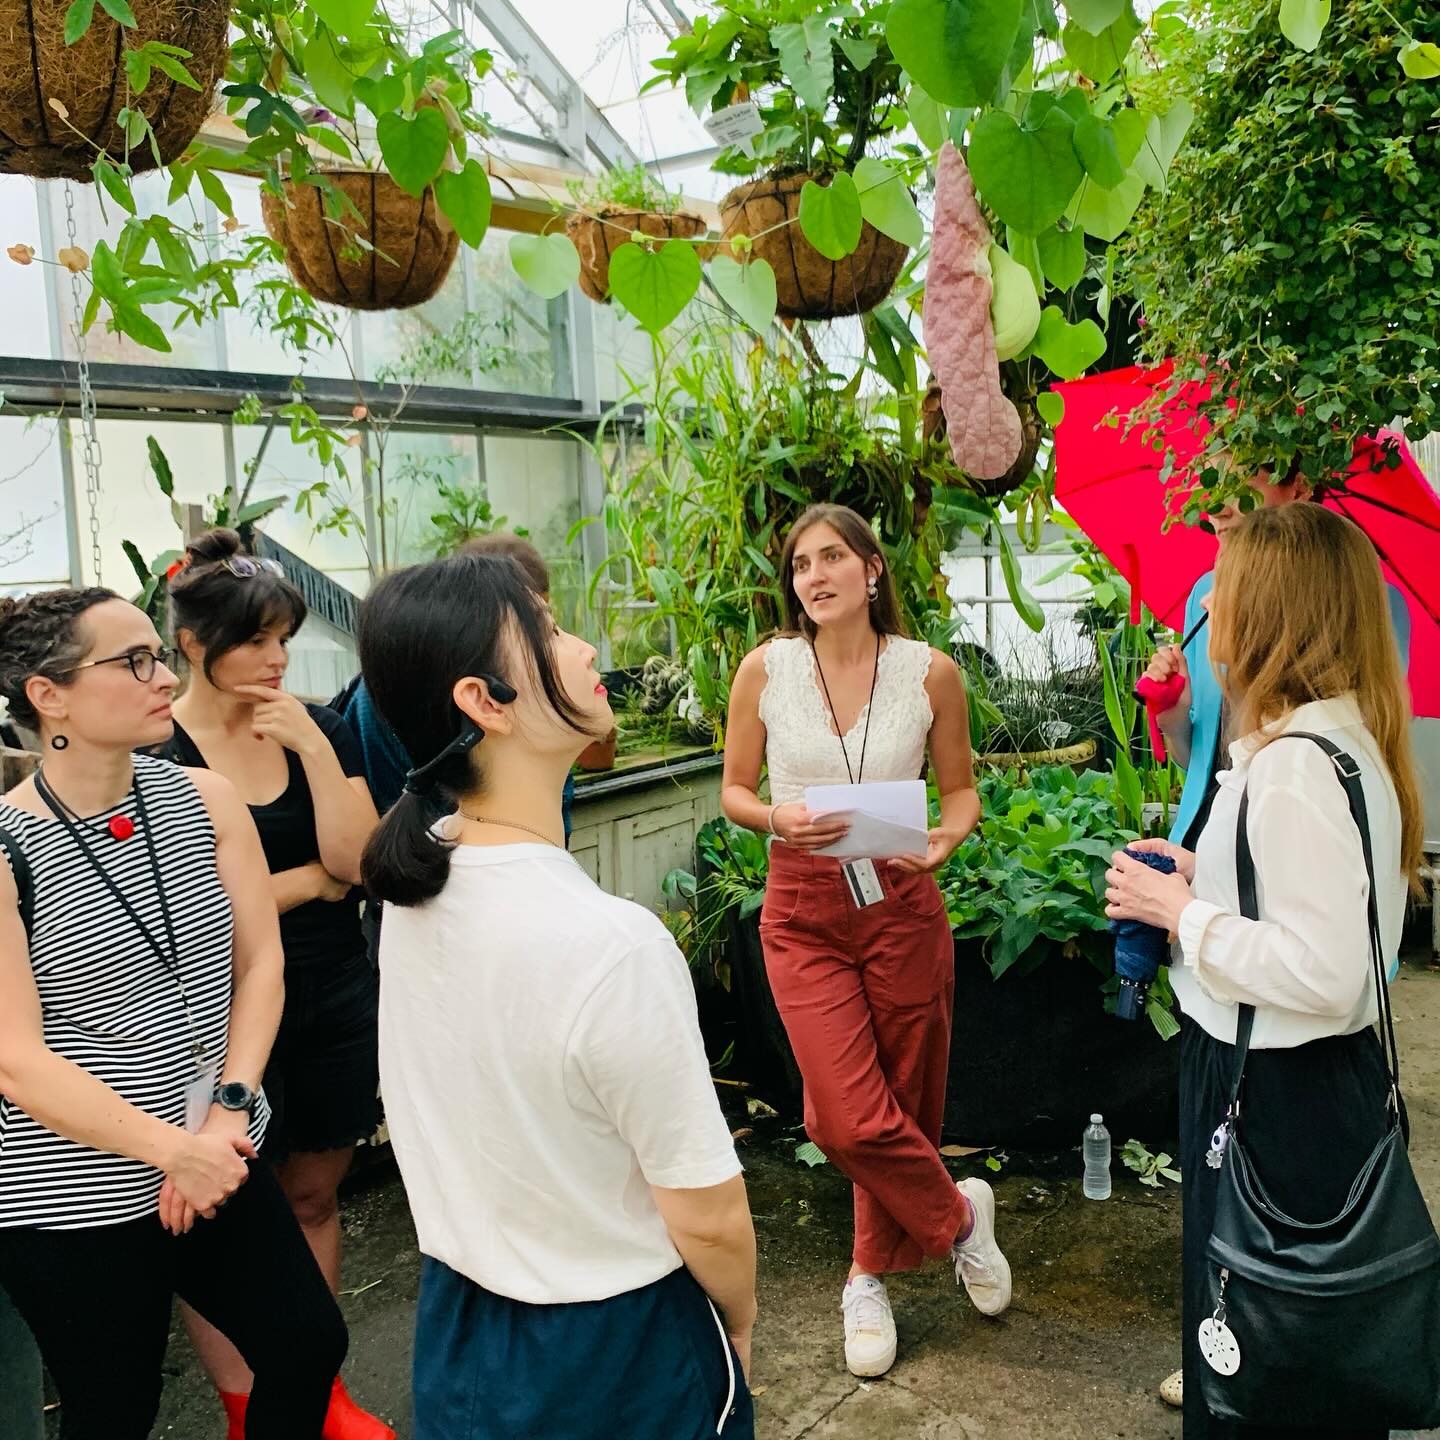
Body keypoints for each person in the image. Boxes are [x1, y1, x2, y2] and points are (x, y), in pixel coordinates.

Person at [358, 551, 756, 1440]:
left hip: (459, 1336)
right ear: (485, 701)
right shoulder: (612, 945)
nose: (583, 649)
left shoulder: (419, 888)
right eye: (546, 632)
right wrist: (737, 1329)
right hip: (616, 1351)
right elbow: (710, 1215)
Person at [1105, 503, 1424, 1440]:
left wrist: (1181, 915)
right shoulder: (1343, 745)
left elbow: (1325, 973)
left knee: (1263, 1363)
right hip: (1318, 1082)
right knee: (1302, 1344)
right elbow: (1320, 913)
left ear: (1269, 614)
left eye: (1226, 594)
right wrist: (1211, 875)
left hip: (1277, 1090)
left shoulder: (1293, 770)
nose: (1211, 617)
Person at [0, 587, 347, 1440]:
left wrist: (230, 1107)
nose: (163, 677)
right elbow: (17, 1059)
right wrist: (172, 1153)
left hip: (216, 1143)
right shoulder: (7, 848)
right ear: (50, 697)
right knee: (115, 1407)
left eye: (158, 654)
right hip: (71, 1191)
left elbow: (260, 965)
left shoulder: (205, 798)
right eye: (134, 662)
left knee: (306, 1342)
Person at [720, 502, 1009, 1380]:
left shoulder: (931, 675)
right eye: (801, 564)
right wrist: (776, 814)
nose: (814, 575)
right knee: (839, 1111)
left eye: (832, 556)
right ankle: (958, 1220)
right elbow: (732, 789)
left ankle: (866, 1279)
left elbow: (960, 794)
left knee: (903, 1097)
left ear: (871, 569)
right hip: (802, 906)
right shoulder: (765, 670)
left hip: (900, 898)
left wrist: (945, 841)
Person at [157, 530, 388, 1440]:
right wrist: (302, 885)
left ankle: (318, 1395)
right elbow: (193, 906)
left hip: (329, 992)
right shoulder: (160, 750)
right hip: (214, 1012)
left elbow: (359, 861)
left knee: (312, 1198)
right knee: (226, 1218)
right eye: (255, 640)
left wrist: (318, 753)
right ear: (191, 645)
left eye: (284, 638)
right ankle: (246, 1407)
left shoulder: (312, 725)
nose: (276, 658)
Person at [336, 532, 617, 827]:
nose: (587, 650)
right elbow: (399, 817)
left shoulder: (539, 733)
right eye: (545, 633)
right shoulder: (379, 705)